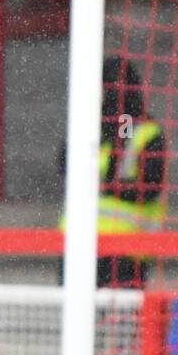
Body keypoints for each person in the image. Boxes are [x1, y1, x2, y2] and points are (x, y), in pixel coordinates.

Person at [58, 55, 166, 288]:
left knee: (121, 319)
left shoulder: (147, 132)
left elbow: (151, 187)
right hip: (80, 241)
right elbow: (63, 164)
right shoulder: (88, 126)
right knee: (78, 316)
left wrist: (110, 189)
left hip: (126, 247)